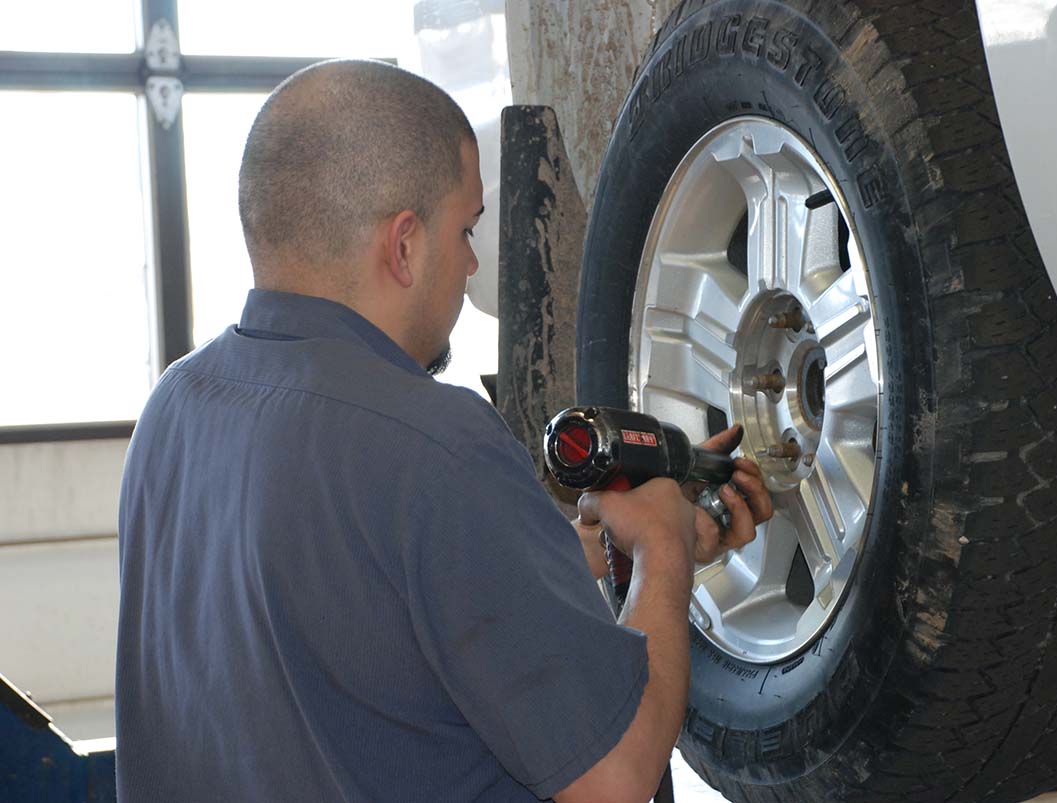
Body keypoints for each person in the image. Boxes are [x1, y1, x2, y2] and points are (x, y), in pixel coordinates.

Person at [116, 59, 772, 802]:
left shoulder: (173, 410)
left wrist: (573, 554)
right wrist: (664, 551)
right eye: (464, 230)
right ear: (402, 245)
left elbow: (370, 602)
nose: (467, 263)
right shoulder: (432, 439)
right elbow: (612, 782)